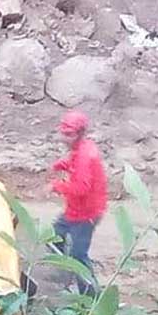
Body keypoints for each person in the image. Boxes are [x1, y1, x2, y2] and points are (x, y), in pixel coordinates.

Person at [50, 109, 107, 295]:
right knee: (54, 236)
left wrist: (57, 186)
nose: (64, 139)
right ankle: (62, 273)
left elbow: (81, 188)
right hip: (75, 210)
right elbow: (76, 164)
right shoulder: (82, 148)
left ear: (80, 133)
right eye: (63, 134)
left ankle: (91, 294)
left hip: (86, 214)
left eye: (69, 135)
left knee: (78, 255)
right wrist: (63, 165)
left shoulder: (84, 156)